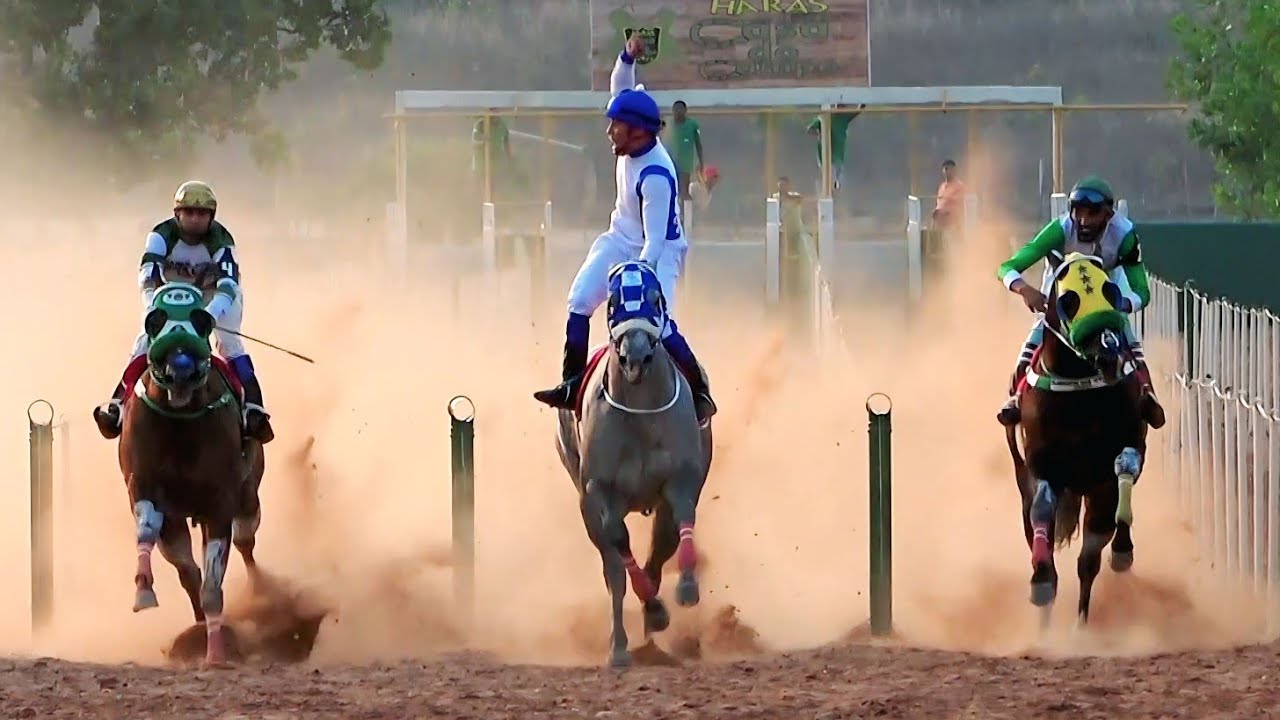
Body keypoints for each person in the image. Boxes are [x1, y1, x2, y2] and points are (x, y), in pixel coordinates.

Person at [533, 34, 717, 425]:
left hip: (659, 253)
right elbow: (620, 85)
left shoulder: (655, 176)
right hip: (619, 239)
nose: (608, 131)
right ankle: (571, 386)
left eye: (615, 125)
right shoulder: (631, 139)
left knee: (656, 322)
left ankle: (699, 390)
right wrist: (628, 56)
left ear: (637, 132)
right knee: (579, 299)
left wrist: (633, 277)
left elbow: (653, 242)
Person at [92, 180, 275, 444]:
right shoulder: (160, 234)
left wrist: (210, 315)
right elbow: (148, 278)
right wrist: (152, 310)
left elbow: (228, 285)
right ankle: (117, 405)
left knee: (229, 343)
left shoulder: (221, 239)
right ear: (177, 213)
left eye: (202, 214)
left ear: (211, 217)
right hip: (171, 294)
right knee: (145, 340)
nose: (195, 219)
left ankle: (253, 408)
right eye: (189, 212)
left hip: (217, 297)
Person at [994, 175, 1165, 429]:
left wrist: (1119, 304)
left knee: (1130, 347)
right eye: (1079, 213)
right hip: (1062, 304)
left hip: (1106, 302)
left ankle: (1146, 395)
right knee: (1030, 346)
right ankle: (1017, 399)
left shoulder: (1125, 236)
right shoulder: (1059, 229)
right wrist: (1024, 289)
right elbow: (1007, 267)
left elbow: (1143, 292)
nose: (1084, 222)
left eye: (1093, 213)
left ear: (1108, 214)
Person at [805, 104, 864, 192]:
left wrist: (862, 105)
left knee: (837, 181)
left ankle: (833, 196)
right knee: (829, 180)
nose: (840, 108)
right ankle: (826, 195)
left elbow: (857, 111)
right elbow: (810, 129)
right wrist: (821, 134)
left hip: (839, 155)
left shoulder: (844, 117)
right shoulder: (824, 117)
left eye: (842, 106)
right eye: (838, 106)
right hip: (826, 155)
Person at [665, 100, 705, 205]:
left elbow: (698, 145)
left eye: (680, 110)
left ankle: (686, 217)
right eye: (675, 110)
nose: (677, 112)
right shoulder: (667, 124)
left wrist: (701, 163)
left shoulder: (692, 125)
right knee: (670, 191)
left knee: (684, 192)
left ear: (685, 111)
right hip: (669, 163)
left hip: (685, 164)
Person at [932, 159, 966, 232]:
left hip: (953, 221)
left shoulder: (959, 186)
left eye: (949, 169)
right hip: (940, 220)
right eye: (945, 169)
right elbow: (939, 203)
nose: (947, 172)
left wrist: (944, 212)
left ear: (954, 171)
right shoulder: (942, 187)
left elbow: (958, 201)